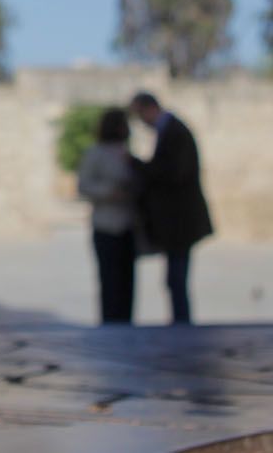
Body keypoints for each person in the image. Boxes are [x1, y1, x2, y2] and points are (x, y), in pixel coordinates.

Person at [128, 91, 212, 325]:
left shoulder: (174, 132)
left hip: (180, 220)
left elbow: (173, 173)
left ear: (149, 108)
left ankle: (182, 327)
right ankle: (180, 324)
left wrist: (137, 166)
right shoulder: (169, 131)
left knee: (177, 278)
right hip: (177, 221)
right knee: (175, 279)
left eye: (139, 115)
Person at [76, 107, 138, 324]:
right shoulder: (95, 153)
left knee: (127, 283)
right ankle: (110, 326)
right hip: (105, 226)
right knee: (109, 282)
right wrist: (109, 193)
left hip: (127, 227)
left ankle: (126, 326)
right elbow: (83, 186)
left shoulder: (126, 153)